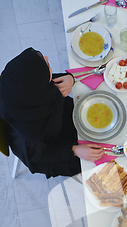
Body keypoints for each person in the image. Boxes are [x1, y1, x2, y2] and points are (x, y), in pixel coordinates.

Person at [0, 48, 104, 178]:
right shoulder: (29, 138)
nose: (48, 57)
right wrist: (75, 150)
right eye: (46, 64)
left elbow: (40, 80)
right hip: (47, 153)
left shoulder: (20, 88)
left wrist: (70, 78)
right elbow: (44, 154)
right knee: (93, 159)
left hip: (54, 117)